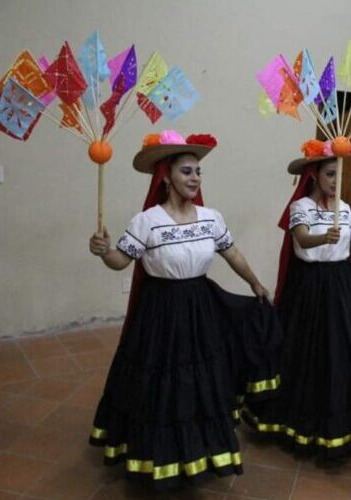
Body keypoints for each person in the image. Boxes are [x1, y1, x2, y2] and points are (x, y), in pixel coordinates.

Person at [87, 130, 281, 490]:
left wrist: (255, 282)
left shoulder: (210, 217)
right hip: (160, 312)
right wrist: (103, 250)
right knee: (160, 378)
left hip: (200, 307)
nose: (195, 178)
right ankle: (157, 453)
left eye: (198, 172)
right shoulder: (147, 221)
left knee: (200, 377)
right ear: (167, 177)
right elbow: (119, 261)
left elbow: (232, 253)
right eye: (187, 171)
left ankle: (198, 449)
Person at [242, 139, 351, 457]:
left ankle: (345, 419)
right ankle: (299, 421)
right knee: (307, 349)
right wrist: (321, 236)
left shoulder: (344, 210)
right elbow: (301, 238)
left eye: (339, 175)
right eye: (330, 174)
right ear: (314, 176)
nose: (336, 181)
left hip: (340, 283)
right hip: (311, 287)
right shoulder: (299, 208)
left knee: (344, 347)